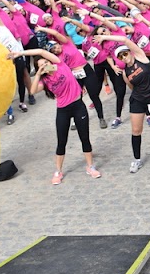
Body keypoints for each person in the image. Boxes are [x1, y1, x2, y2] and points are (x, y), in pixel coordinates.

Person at [14, 48, 101, 184]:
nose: (45, 65)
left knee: (85, 137)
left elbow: (41, 51)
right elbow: (32, 90)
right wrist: (37, 74)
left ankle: (90, 166)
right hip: (63, 110)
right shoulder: (45, 81)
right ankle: (58, 171)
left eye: (46, 62)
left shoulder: (60, 65)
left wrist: (21, 53)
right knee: (61, 142)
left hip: (78, 105)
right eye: (41, 65)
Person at [95, 35, 150, 172]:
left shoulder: (141, 57)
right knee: (136, 131)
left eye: (125, 53)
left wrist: (104, 36)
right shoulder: (126, 72)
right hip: (138, 100)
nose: (124, 57)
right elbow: (131, 87)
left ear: (130, 52)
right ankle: (137, 160)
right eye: (120, 57)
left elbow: (125, 40)